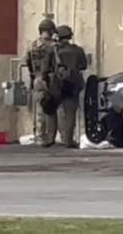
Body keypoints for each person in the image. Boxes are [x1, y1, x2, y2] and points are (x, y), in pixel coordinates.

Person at [24, 19, 61, 147]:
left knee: (40, 108)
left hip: (37, 79)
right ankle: (51, 137)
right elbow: (57, 63)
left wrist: (33, 77)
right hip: (51, 79)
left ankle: (40, 135)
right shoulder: (54, 46)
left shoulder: (33, 45)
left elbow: (27, 62)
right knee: (52, 108)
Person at [53, 24, 88, 148]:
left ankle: (61, 137)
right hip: (73, 84)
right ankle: (68, 139)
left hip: (57, 84)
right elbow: (84, 65)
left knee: (57, 112)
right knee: (70, 113)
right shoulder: (77, 50)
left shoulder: (56, 51)